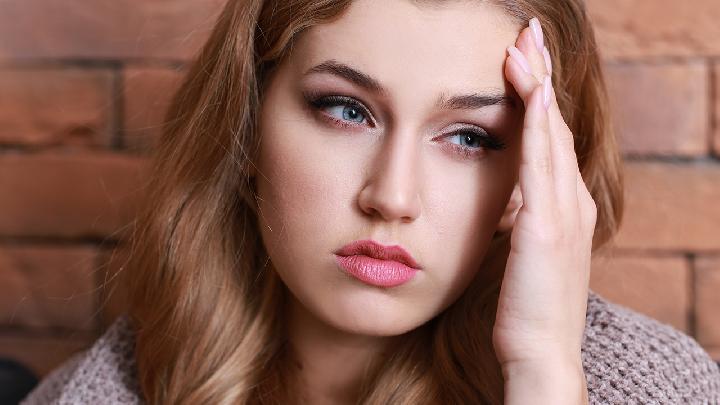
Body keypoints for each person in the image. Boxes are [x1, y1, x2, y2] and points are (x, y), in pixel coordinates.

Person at [22, 0, 720, 404]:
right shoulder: (92, 393)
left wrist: (542, 369)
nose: (392, 197)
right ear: (247, 123)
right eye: (346, 110)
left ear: (532, 178)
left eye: (470, 137)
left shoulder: (660, 387)